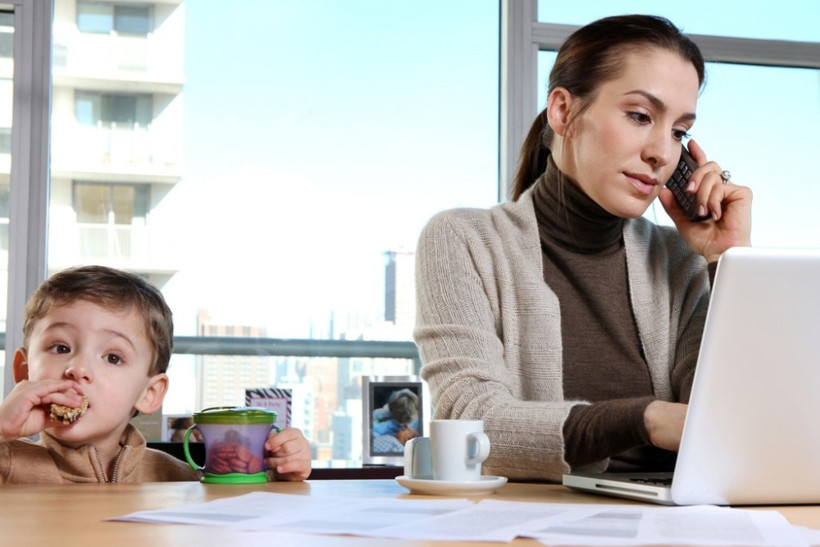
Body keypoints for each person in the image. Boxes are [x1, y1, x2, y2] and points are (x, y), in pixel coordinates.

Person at [414, 15, 752, 482]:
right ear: (563, 112)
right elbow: (470, 423)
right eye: (640, 116)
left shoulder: (682, 263)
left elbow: (745, 425)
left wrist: (728, 261)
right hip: (527, 524)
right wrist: (647, 419)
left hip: (676, 522)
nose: (661, 152)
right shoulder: (464, 240)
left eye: (678, 132)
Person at [0, 265, 312, 483]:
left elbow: (247, 515)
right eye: (60, 348)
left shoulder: (177, 478)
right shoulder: (8, 463)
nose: (77, 369)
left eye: (112, 357)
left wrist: (282, 472)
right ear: (24, 371)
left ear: (149, 394)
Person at [372, 388, 420, 453]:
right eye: (403, 423)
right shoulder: (383, 423)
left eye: (409, 422)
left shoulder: (419, 417)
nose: (407, 426)